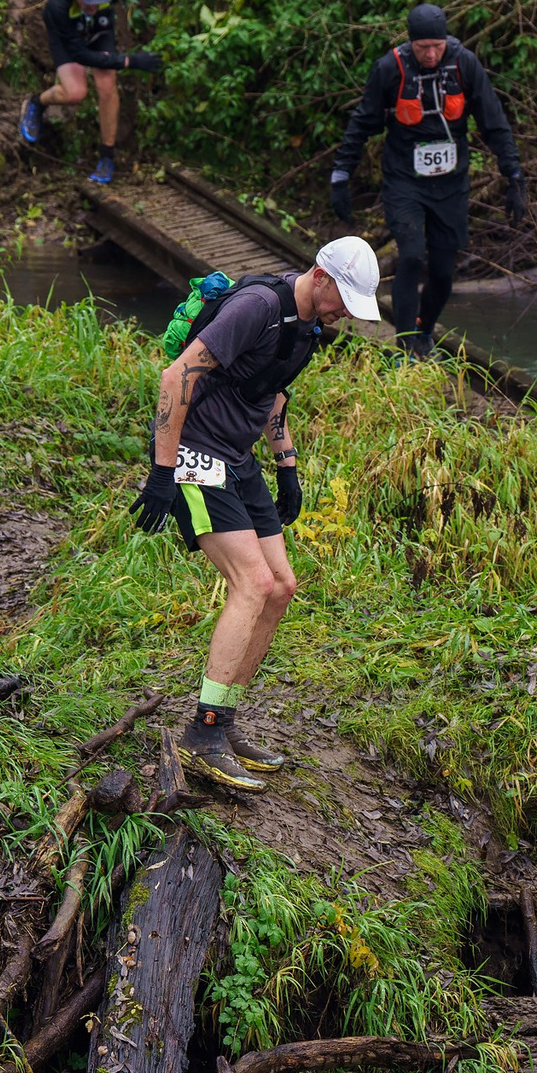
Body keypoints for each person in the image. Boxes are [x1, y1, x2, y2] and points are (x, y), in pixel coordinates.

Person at [133, 237, 383, 790]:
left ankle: (223, 721)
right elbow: (176, 377)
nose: (344, 312)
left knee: (282, 585)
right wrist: (162, 471)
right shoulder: (258, 308)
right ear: (320, 275)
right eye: (342, 297)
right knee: (253, 581)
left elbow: (271, 395)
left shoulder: (308, 327)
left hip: (238, 457)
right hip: (195, 449)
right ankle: (202, 734)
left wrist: (286, 464)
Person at [328, 3, 525, 356]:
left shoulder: (464, 64)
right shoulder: (389, 68)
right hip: (404, 180)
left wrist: (514, 176)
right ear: (411, 44)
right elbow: (361, 123)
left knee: (444, 272)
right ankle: (404, 348)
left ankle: (423, 332)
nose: (431, 54)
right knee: (411, 256)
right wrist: (341, 176)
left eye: (437, 46)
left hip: (451, 185)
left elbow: (494, 121)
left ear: (445, 40)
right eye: (423, 48)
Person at [21, 0, 163, 186]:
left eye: (99, 2)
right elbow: (81, 55)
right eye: (88, 2)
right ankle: (37, 103)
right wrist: (130, 61)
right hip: (67, 35)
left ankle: (107, 157)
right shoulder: (59, 1)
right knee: (75, 93)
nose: (93, 6)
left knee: (107, 85)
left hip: (99, 28)